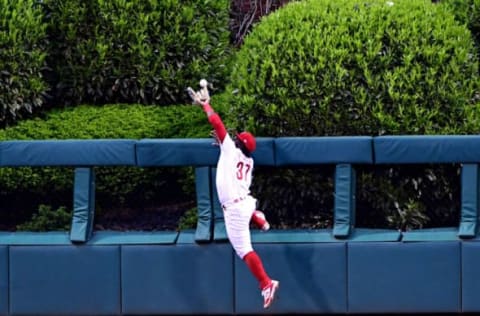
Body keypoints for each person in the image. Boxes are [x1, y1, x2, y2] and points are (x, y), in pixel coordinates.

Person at [187, 80, 279, 309]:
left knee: (244, 251)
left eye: (236, 139)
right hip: (245, 201)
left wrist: (206, 106)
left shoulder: (230, 150)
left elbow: (218, 125)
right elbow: (227, 144)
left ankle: (266, 283)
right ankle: (256, 215)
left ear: (237, 144)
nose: (233, 138)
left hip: (235, 209)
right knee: (246, 208)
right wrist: (222, 142)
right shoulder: (249, 159)